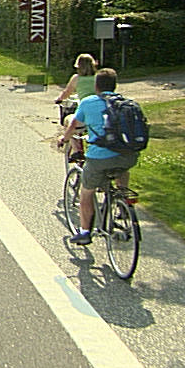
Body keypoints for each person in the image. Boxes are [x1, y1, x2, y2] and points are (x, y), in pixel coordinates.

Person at [57, 67, 137, 246]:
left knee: (86, 192)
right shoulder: (126, 103)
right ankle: (122, 201)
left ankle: (85, 232)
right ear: (114, 86)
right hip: (129, 156)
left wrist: (64, 139)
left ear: (96, 86)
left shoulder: (88, 102)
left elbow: (74, 126)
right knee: (121, 168)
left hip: (99, 158)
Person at [55, 53, 99, 124]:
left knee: (69, 122)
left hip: (84, 107)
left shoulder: (76, 78)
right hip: (98, 106)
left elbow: (67, 92)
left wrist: (59, 99)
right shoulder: (98, 77)